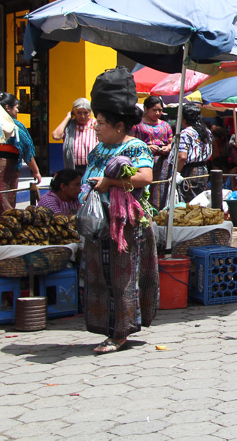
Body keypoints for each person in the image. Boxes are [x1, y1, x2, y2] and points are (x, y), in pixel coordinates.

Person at [81, 68, 158, 354]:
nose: (96, 127)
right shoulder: (97, 150)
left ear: (118, 126)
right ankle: (107, 328)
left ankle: (121, 333)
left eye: (101, 123)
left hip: (124, 225)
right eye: (96, 122)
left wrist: (110, 182)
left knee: (121, 278)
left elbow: (145, 178)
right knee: (98, 276)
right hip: (98, 224)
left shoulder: (136, 147)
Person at [0, 93, 42, 212]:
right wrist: (36, 171)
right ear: (7, 108)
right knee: (4, 202)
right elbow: (27, 150)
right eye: (16, 107)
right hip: (6, 170)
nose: (17, 110)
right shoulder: (14, 125)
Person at [129, 96, 174, 209]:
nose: (158, 113)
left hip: (162, 162)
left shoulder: (165, 125)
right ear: (146, 109)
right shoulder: (137, 125)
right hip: (143, 161)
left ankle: (159, 211)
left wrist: (168, 148)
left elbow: (171, 142)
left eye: (160, 110)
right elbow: (130, 142)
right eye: (155, 110)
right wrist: (147, 147)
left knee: (161, 187)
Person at [176, 103, 212, 204]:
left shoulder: (185, 133)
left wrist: (177, 173)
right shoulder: (206, 131)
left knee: (190, 202)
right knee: (200, 200)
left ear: (183, 117)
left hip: (189, 171)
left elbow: (182, 157)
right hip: (203, 170)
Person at [52, 98, 97, 175]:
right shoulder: (69, 125)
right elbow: (56, 136)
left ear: (90, 112)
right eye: (79, 113)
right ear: (74, 113)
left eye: (85, 113)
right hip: (73, 167)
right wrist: (67, 118)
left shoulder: (96, 125)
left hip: (92, 167)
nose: (82, 116)